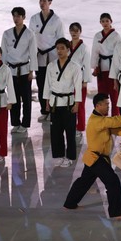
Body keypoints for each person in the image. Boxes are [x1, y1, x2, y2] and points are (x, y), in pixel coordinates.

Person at [63, 93, 121, 219]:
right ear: (98, 106)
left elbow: (113, 129)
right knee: (113, 181)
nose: (109, 106)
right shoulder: (96, 120)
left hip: (95, 158)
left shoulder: (102, 120)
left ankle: (70, 204)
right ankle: (116, 213)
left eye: (109, 104)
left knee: (84, 182)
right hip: (96, 158)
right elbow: (114, 121)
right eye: (106, 104)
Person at [43, 37, 82, 167]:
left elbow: (78, 86)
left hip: (68, 102)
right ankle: (58, 155)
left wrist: (77, 104)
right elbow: (47, 85)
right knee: (56, 131)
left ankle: (70, 156)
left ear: (68, 50)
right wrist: (47, 102)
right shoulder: (51, 66)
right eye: (57, 48)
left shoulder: (74, 67)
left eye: (62, 48)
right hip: (54, 102)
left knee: (70, 131)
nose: (59, 51)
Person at [29, 0, 65, 122]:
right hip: (39, 55)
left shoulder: (56, 20)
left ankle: (54, 109)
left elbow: (61, 39)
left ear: (50, 2)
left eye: (44, 1)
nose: (42, 3)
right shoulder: (34, 19)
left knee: (53, 83)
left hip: (53, 55)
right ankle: (44, 110)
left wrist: (62, 57)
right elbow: (31, 38)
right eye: (40, 1)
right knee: (41, 83)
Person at [1, 7, 38, 134]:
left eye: (18, 16)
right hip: (11, 70)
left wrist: (32, 70)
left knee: (26, 99)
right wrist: (3, 69)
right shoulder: (7, 33)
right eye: (14, 16)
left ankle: (25, 123)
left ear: (23, 17)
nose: (16, 19)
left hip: (24, 70)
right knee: (13, 97)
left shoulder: (29, 34)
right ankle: (15, 123)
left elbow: (33, 53)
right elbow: (4, 52)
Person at [91, 13, 121, 116]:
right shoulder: (97, 36)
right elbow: (95, 51)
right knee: (102, 95)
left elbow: (119, 53)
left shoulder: (116, 36)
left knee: (114, 96)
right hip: (101, 67)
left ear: (111, 21)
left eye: (107, 21)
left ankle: (115, 118)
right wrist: (95, 66)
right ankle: (102, 117)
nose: (105, 23)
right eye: (103, 21)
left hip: (113, 67)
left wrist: (119, 68)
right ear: (100, 22)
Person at [68, 22, 92, 137]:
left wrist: (85, 81)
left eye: (76, 31)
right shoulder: (67, 46)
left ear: (80, 32)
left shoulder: (84, 48)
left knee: (80, 104)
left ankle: (81, 127)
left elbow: (86, 65)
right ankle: (71, 125)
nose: (74, 33)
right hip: (68, 79)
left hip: (80, 79)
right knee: (70, 103)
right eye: (72, 30)